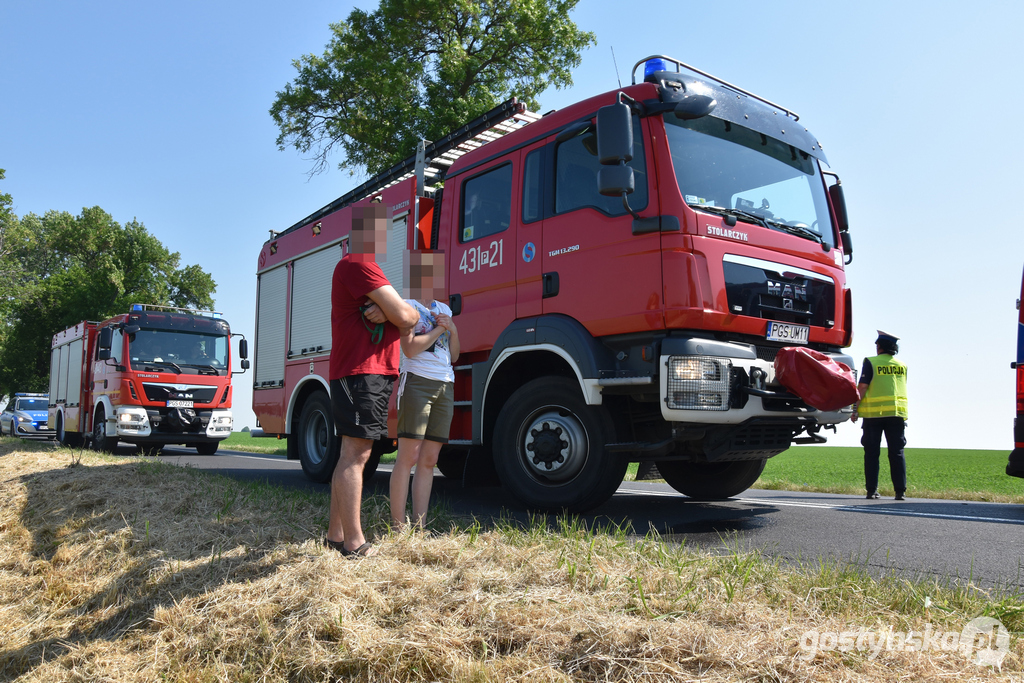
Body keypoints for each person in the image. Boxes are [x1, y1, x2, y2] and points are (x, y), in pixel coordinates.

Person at [326, 203, 419, 557]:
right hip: (361, 372)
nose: (382, 235)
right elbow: (408, 317)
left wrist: (394, 313)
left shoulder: (366, 267)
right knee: (356, 454)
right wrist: (395, 313)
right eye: (377, 228)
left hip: (369, 373)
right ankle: (354, 544)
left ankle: (336, 537)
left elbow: (404, 314)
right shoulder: (357, 264)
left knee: (352, 453)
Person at [389, 251, 459, 530]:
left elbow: (454, 356)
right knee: (408, 457)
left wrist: (452, 328)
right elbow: (409, 348)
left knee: (430, 460)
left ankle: (419, 526)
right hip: (417, 381)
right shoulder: (407, 306)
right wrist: (437, 332)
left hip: (445, 383)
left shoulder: (444, 308)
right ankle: (397, 526)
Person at [852, 330, 908, 500]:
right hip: (896, 414)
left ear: (879, 346)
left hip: (873, 415)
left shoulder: (871, 362)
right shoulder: (901, 365)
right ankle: (900, 492)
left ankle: (872, 490)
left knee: (871, 453)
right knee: (897, 452)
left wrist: (855, 408)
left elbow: (862, 387)